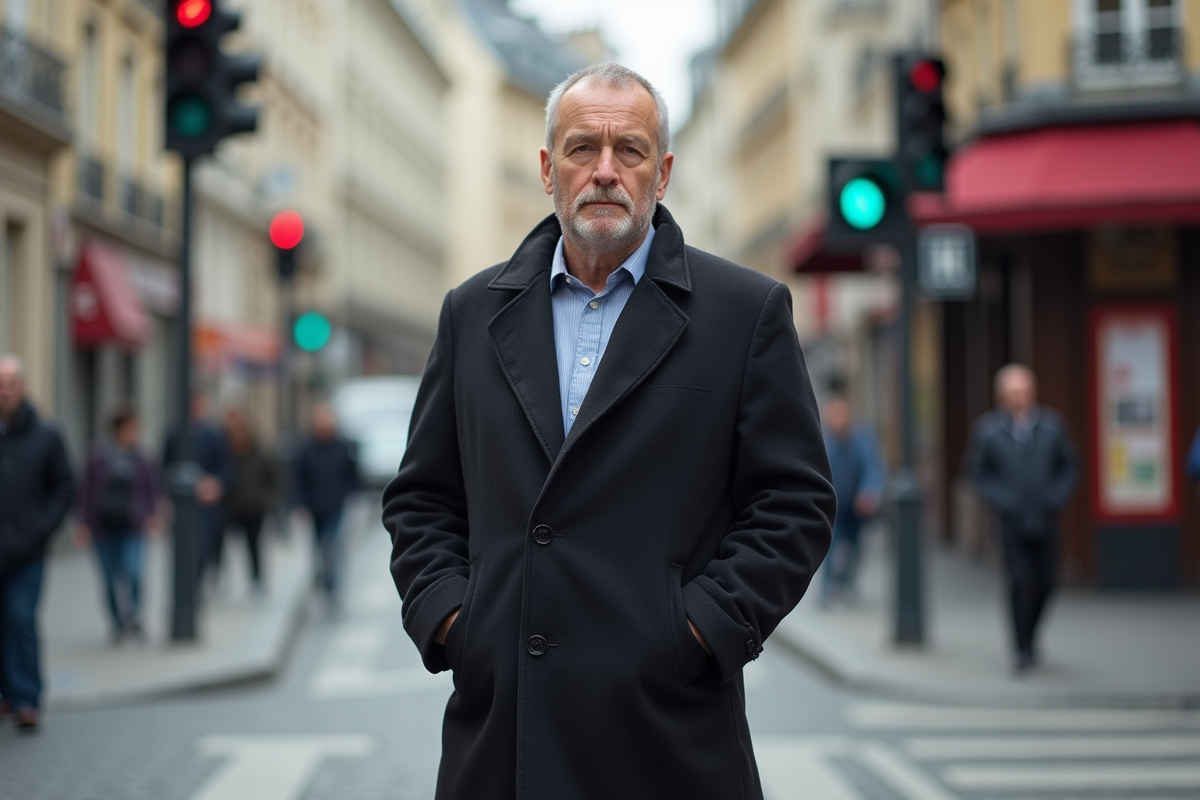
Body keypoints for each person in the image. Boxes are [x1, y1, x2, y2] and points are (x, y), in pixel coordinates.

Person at [383, 64, 835, 799]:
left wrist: (699, 630)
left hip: (665, 733)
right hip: (505, 734)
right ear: (545, 168)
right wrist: (456, 622)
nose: (604, 171)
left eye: (629, 150)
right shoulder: (471, 313)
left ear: (663, 173)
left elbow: (795, 504)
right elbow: (423, 499)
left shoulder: (744, 312)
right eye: (580, 148)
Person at [965, 363, 1079, 675]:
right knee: (1018, 581)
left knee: (1047, 582)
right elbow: (977, 472)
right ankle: (1021, 648)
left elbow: (1069, 466)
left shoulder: (1052, 427)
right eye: (1012, 392)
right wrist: (1003, 500)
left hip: (1046, 517)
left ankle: (1032, 632)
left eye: (1024, 391)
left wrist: (1055, 497)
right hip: (1011, 521)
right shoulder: (988, 431)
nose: (1019, 398)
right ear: (1000, 396)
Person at [0, 355, 74, 731]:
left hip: (27, 551)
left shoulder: (46, 435)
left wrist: (41, 528)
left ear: (23, 387)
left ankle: (27, 697)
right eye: (0, 384)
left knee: (21, 619)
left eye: (11, 383)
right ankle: (5, 694)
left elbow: (64, 487)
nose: (5, 391)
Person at [78, 405, 160, 642]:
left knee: (133, 572)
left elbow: (152, 489)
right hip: (103, 526)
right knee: (109, 576)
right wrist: (82, 523)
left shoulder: (143, 457)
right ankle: (116, 621)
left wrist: (154, 515)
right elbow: (85, 490)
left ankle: (133, 618)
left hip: (133, 525)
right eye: (131, 427)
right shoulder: (97, 455)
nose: (135, 432)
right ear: (119, 428)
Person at [821, 397, 885, 605]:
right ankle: (827, 588)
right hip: (834, 505)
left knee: (856, 546)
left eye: (842, 415)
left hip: (857, 506)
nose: (838, 421)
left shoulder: (862, 438)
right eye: (834, 416)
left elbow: (872, 467)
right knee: (829, 546)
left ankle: (848, 583)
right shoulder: (825, 440)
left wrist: (869, 491)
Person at [293, 403, 359, 606]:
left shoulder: (342, 446)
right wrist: (299, 504)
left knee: (332, 543)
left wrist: (349, 494)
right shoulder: (307, 449)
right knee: (318, 546)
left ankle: (332, 586)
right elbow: (298, 479)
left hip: (335, 505)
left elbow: (353, 474)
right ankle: (322, 579)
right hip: (314, 507)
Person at [161, 391, 229, 586]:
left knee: (204, 547)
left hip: (206, 504)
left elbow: (225, 467)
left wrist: (214, 484)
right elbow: (164, 466)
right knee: (182, 548)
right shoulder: (174, 433)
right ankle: (186, 584)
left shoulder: (214, 435)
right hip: (181, 504)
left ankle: (196, 584)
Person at [220, 406, 280, 593]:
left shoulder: (259, 453)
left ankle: (256, 578)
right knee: (219, 541)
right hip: (230, 505)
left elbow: (274, 478)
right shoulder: (225, 453)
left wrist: (268, 499)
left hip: (254, 506)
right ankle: (220, 576)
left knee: (253, 544)